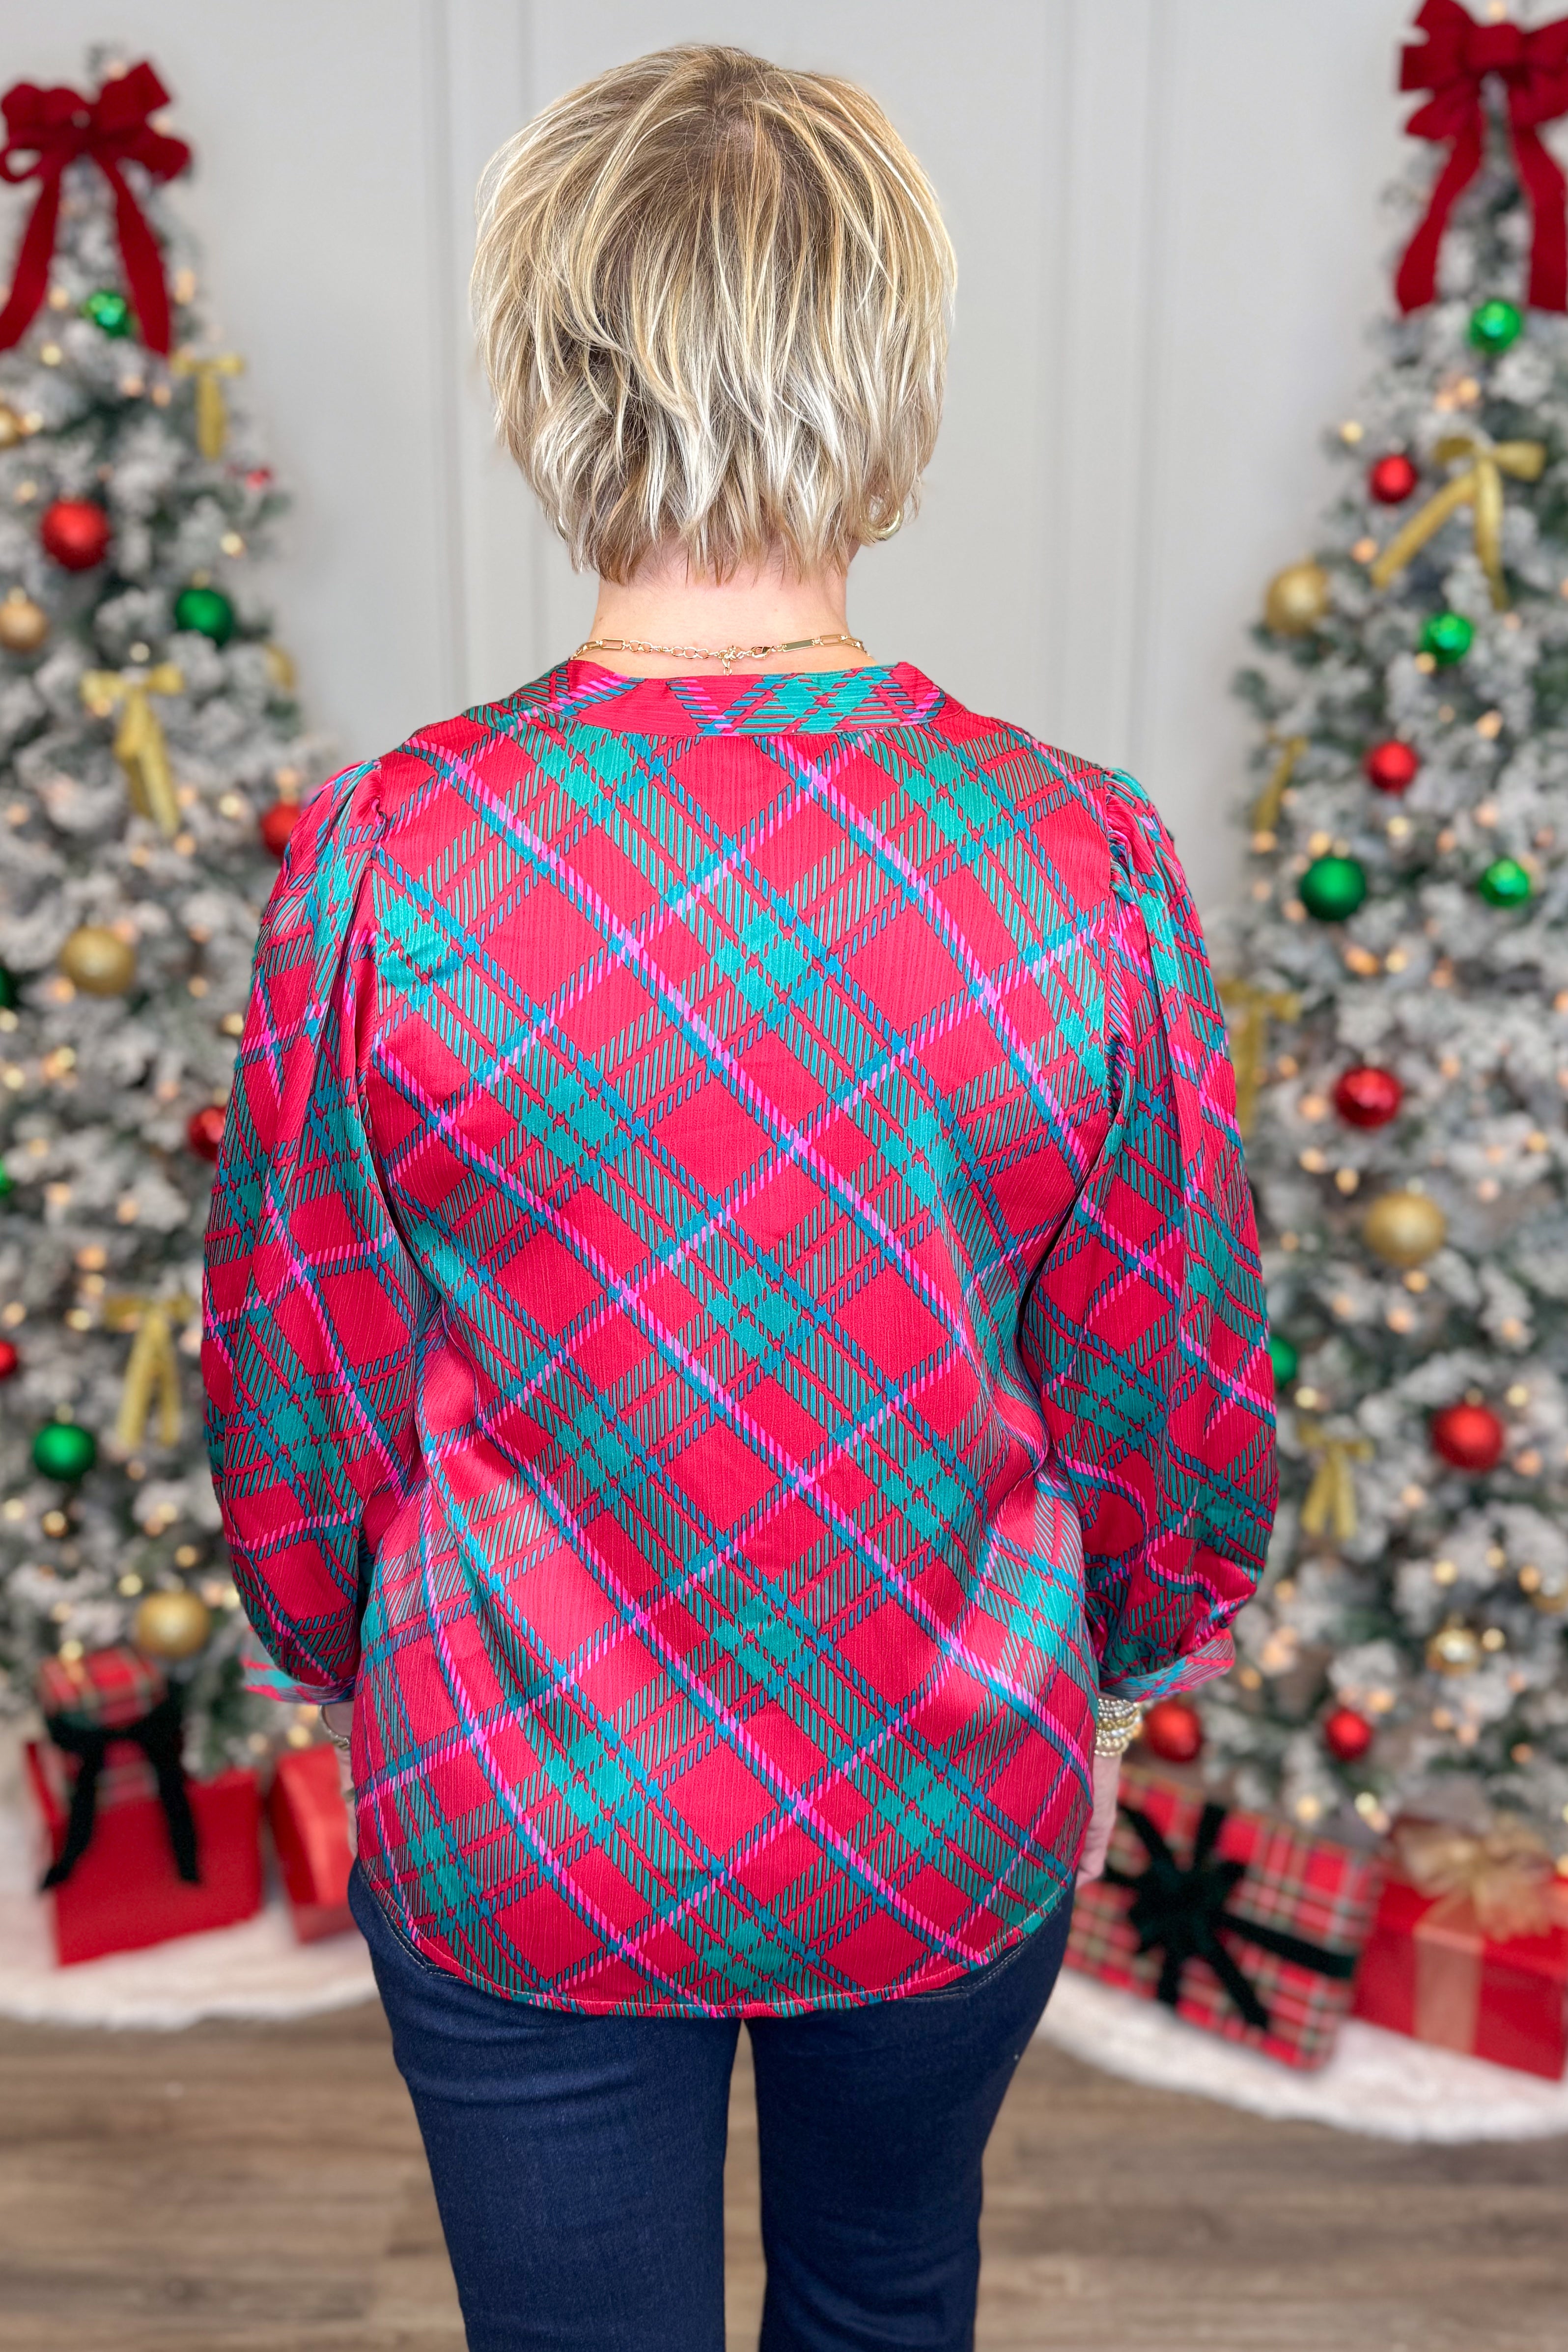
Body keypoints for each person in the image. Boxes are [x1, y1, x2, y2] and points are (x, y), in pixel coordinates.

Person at [203, 43, 1276, 2352]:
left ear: (550, 373)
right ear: (887, 369)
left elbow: (301, 1382)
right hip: (942, 1793)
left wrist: (334, 1655)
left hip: (516, 1800)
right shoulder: (1071, 855)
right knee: (885, 2300)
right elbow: (1165, 1382)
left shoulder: (393, 853)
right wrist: (1144, 1645)